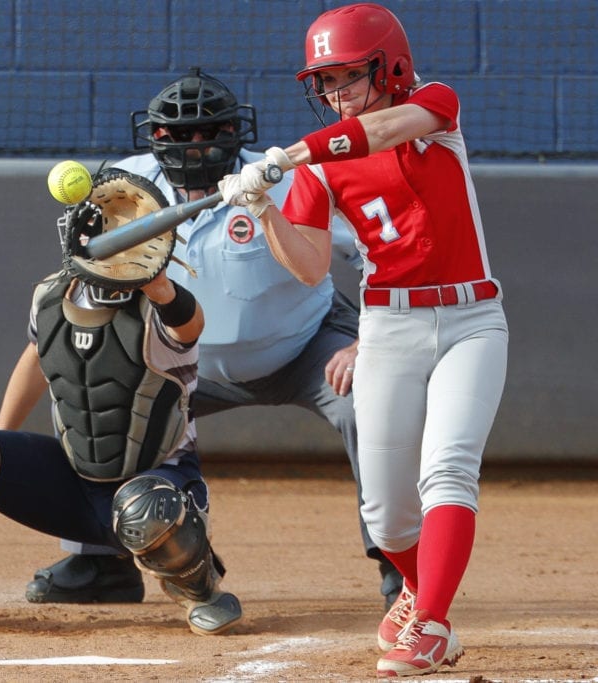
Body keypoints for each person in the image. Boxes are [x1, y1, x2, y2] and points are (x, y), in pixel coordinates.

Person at [0, 67, 403, 611]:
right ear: (153, 138)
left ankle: (401, 563)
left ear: (236, 134)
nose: (195, 146)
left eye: (208, 132)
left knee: (371, 399)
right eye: (177, 135)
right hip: (188, 364)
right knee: (97, 384)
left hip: (307, 344)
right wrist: (2, 444)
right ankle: (100, 560)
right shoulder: (124, 188)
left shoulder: (288, 176)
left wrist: (366, 341)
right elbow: (65, 321)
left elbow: (384, 258)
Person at [217, 3, 508, 677]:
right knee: (386, 515)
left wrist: (290, 155)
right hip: (388, 326)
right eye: (326, 81)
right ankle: (418, 587)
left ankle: (433, 624)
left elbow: (380, 130)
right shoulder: (318, 171)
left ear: (390, 67)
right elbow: (311, 265)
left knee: (448, 467)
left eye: (349, 75)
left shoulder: (434, 107)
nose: (336, 93)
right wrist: (265, 208)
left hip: (472, 320)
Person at [0, 169, 243, 637]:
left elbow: (189, 325)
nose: (110, 242)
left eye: (124, 234)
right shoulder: (51, 296)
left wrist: (157, 283)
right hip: (71, 483)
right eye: (103, 230)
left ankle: (200, 589)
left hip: (157, 483)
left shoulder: (161, 312)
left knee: (145, 509)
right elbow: (39, 360)